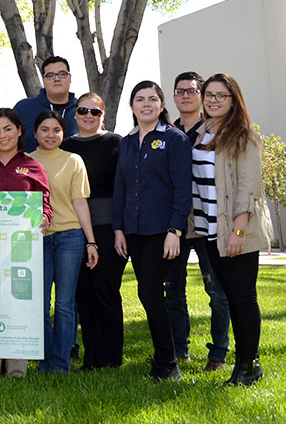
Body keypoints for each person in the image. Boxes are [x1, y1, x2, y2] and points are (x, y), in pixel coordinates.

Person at [195, 73, 274, 386]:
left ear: (233, 99)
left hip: (234, 229)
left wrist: (238, 231)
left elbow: (248, 187)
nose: (213, 100)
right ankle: (249, 362)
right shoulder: (202, 132)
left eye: (221, 95)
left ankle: (247, 365)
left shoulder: (244, 135)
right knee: (229, 294)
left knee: (242, 296)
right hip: (209, 229)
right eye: (209, 95)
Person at [113, 80, 192, 381]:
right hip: (133, 231)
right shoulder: (127, 142)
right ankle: (164, 360)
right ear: (132, 106)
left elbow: (183, 189)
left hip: (164, 231)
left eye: (152, 99)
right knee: (148, 294)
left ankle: (168, 363)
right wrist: (118, 229)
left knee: (149, 292)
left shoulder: (174, 139)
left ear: (161, 105)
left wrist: (175, 229)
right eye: (139, 99)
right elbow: (120, 187)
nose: (146, 104)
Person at [0, 108, 53, 376]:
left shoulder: (34, 166)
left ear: (19, 131)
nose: (2, 135)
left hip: (21, 251)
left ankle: (17, 371)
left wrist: (45, 219)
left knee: (18, 304)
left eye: (8, 129)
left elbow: (46, 205)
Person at [164, 72, 231, 371]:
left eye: (193, 91)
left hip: (209, 222)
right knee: (173, 290)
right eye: (180, 91)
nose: (186, 96)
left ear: (202, 95)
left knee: (216, 290)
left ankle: (218, 354)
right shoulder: (165, 132)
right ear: (174, 96)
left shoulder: (216, 130)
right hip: (175, 224)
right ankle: (180, 350)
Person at [30, 111, 98, 373]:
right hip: (38, 239)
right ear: (35, 133)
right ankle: (44, 359)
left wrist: (91, 242)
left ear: (63, 132)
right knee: (40, 302)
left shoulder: (73, 160)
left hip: (70, 236)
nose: (50, 134)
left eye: (56, 130)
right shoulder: (25, 161)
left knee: (65, 303)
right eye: (44, 129)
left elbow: (80, 202)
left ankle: (60, 362)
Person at [61, 93, 125, 370]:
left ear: (103, 114)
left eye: (95, 112)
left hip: (109, 227)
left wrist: (121, 229)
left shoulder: (116, 143)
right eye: (83, 110)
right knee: (83, 294)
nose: (88, 116)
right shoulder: (64, 147)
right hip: (75, 228)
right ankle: (92, 357)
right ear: (75, 113)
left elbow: (125, 187)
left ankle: (112, 357)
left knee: (106, 290)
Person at [14, 56, 80, 152]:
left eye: (62, 74)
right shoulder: (23, 108)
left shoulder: (84, 111)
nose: (57, 79)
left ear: (70, 78)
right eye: (50, 75)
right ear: (43, 80)